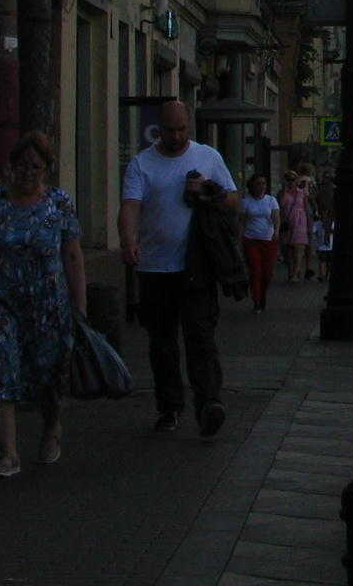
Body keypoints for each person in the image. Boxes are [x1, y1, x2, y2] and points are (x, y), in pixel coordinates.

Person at [0, 132, 86, 478]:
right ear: (11, 167)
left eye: (35, 166)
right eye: (22, 166)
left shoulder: (59, 203)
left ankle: (51, 429)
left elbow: (73, 255)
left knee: (50, 371)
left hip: (48, 303)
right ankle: (8, 453)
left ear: (47, 168)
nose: (28, 173)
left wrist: (81, 306)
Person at [119, 100, 237, 437]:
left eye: (181, 130)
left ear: (189, 127)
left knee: (200, 336)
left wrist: (209, 190)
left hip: (196, 265)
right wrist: (128, 239)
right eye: (169, 130)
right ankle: (169, 406)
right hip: (155, 268)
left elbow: (233, 202)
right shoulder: (142, 164)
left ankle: (209, 403)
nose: (175, 136)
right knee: (163, 342)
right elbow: (130, 205)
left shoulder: (207, 157)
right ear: (159, 128)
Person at [239, 174, 280, 312]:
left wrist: (276, 232)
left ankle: (263, 295)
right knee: (255, 270)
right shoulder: (246, 202)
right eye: (258, 184)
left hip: (268, 240)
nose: (261, 186)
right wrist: (239, 240)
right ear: (252, 186)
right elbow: (241, 222)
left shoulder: (271, 200)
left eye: (263, 183)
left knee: (267, 273)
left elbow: (276, 217)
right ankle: (256, 300)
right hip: (251, 239)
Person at [282, 170, 313, 283]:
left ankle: (295, 273)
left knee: (297, 247)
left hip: (300, 221)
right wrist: (285, 190)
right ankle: (291, 271)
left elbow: (306, 208)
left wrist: (309, 224)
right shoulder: (283, 193)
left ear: (297, 180)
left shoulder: (301, 193)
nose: (291, 182)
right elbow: (282, 204)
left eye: (293, 179)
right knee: (288, 249)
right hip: (288, 222)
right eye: (288, 179)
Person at [312, 206, 333, 283]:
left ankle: (328, 274)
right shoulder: (317, 223)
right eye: (322, 214)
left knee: (329, 262)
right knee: (322, 261)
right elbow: (313, 231)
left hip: (330, 246)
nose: (324, 216)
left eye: (326, 214)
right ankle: (322, 275)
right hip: (321, 245)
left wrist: (330, 230)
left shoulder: (332, 222)